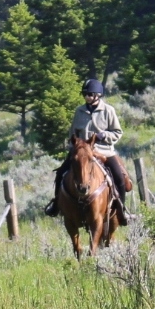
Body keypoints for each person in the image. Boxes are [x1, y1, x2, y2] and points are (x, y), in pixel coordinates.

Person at [44, 78, 130, 225]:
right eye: (85, 94)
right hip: (83, 152)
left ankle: (122, 210)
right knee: (60, 173)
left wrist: (105, 135)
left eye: (90, 94)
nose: (87, 97)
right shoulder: (79, 111)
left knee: (120, 179)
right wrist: (74, 146)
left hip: (104, 151)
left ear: (98, 95)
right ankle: (56, 205)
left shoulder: (109, 111)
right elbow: (73, 133)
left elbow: (117, 132)